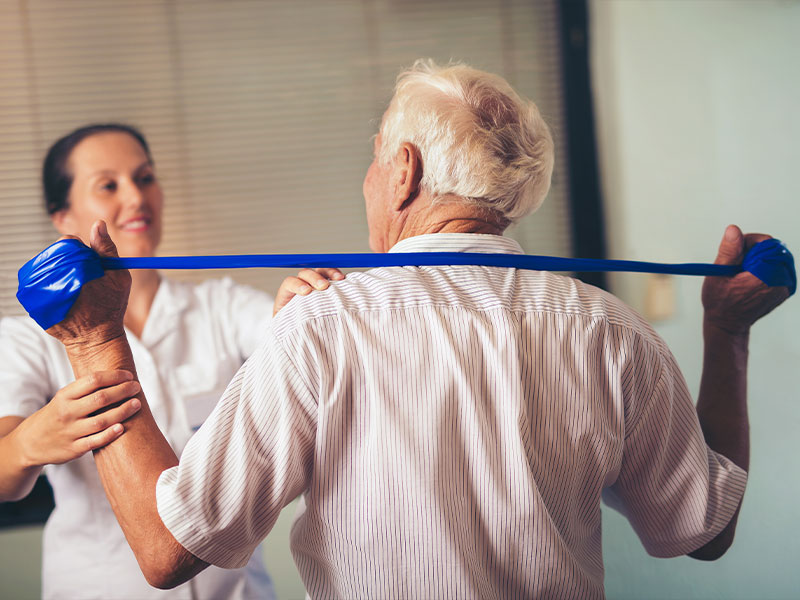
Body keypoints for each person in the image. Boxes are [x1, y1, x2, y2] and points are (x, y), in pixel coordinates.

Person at [38, 62, 790, 598]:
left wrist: (92, 343)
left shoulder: (321, 332)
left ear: (401, 170)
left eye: (373, 165)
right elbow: (705, 530)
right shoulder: (613, 333)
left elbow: (169, 552)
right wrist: (727, 334)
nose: (370, 184)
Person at [0, 123, 341, 599]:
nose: (137, 198)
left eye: (144, 178)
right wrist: (32, 441)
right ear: (62, 216)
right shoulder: (28, 338)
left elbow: (294, 343)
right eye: (108, 185)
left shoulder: (222, 306)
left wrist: (299, 312)